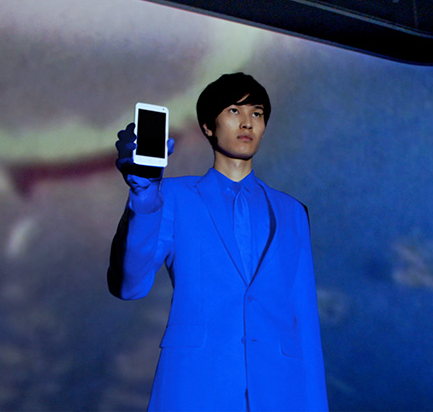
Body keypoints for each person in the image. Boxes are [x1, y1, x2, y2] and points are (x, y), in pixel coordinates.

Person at [108, 73, 329, 411]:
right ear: (208, 126)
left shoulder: (292, 212)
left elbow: (306, 324)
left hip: (279, 392)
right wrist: (144, 198)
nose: (247, 122)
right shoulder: (170, 196)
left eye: (257, 113)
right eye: (234, 111)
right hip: (196, 387)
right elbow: (130, 285)